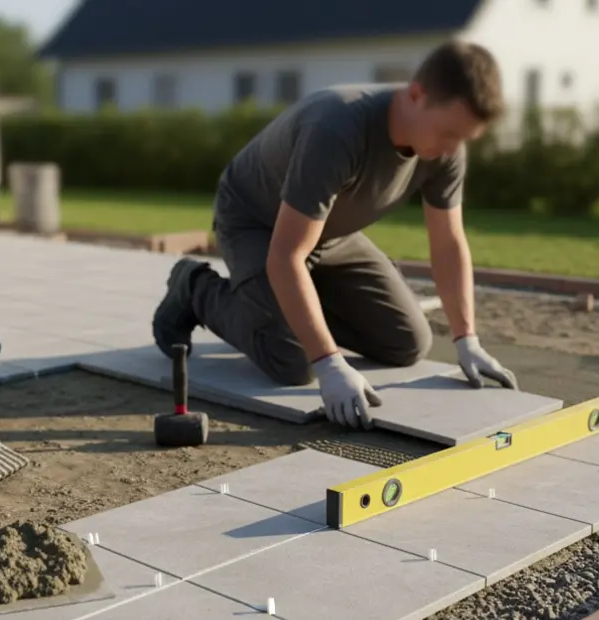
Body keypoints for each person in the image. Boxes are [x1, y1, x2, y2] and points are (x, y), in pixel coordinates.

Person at [151, 40, 518, 430]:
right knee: (292, 360)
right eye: (448, 132)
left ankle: (291, 304)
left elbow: (447, 243)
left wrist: (467, 340)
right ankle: (193, 287)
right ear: (416, 95)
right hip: (257, 221)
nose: (452, 148)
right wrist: (328, 362)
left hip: (329, 233)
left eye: (464, 138)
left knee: (406, 343)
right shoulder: (337, 127)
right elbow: (287, 254)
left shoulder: (446, 149)